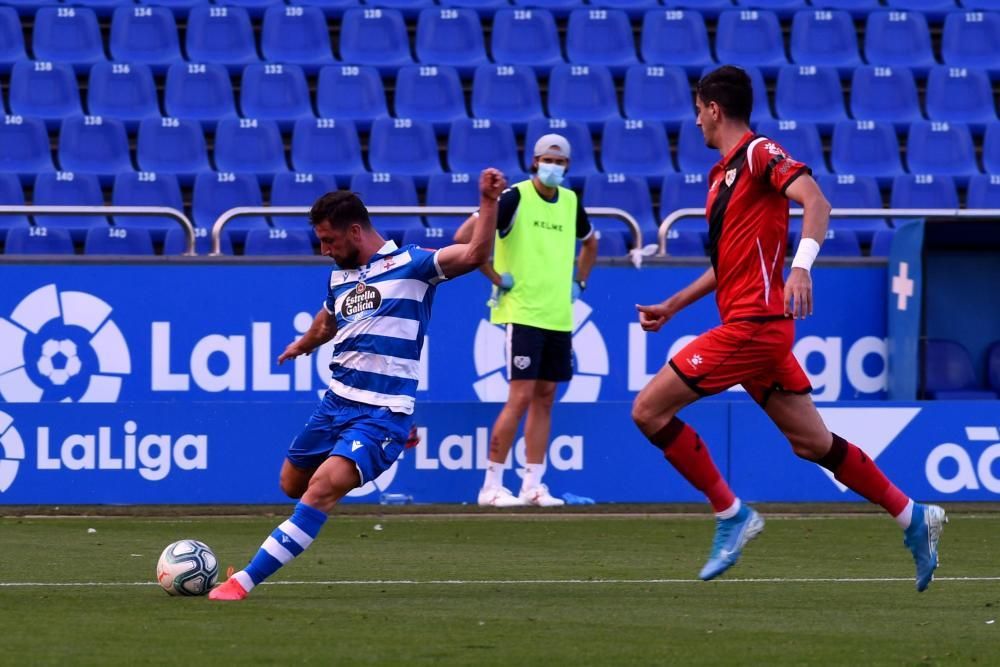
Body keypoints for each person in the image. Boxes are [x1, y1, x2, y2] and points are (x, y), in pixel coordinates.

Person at [632, 66, 945, 590]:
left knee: (648, 409)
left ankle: (730, 513)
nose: (696, 123)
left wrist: (801, 265)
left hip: (755, 327)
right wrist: (673, 305)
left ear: (713, 108)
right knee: (813, 442)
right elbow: (725, 264)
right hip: (754, 328)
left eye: (698, 111)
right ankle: (913, 515)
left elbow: (817, 202)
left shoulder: (758, 153)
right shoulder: (720, 178)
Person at [209, 168, 507, 601]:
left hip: (382, 411)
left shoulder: (414, 265)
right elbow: (328, 320)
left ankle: (242, 582)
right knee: (291, 484)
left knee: (321, 489)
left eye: (330, 241)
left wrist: (487, 200)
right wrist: (303, 344)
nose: (325, 250)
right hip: (335, 405)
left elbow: (476, 252)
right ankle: (382, 445)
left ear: (355, 230)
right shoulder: (339, 278)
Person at [454, 134, 599, 507]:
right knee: (519, 397)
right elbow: (464, 237)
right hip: (522, 313)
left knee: (546, 399)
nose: (555, 167)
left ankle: (533, 485)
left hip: (558, 314)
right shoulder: (514, 197)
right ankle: (491, 485)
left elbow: (591, 242)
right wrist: (496, 276)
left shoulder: (570, 201)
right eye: (549, 160)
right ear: (535, 161)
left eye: (562, 162)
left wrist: (579, 283)